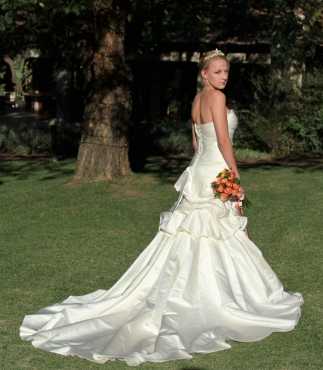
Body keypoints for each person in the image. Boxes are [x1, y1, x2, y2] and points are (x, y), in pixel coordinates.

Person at [20, 49, 304, 367]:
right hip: (217, 171)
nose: (224, 76)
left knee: (196, 235)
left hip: (200, 170)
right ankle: (223, 298)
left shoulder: (197, 101)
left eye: (226, 72)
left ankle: (194, 290)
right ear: (204, 74)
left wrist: (209, 165)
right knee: (226, 232)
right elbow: (224, 141)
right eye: (218, 72)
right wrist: (235, 176)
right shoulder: (217, 99)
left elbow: (197, 143)